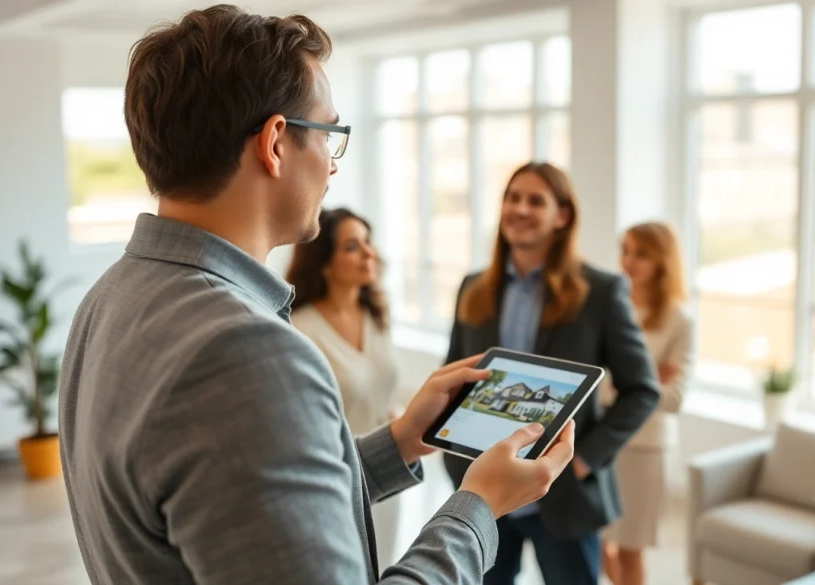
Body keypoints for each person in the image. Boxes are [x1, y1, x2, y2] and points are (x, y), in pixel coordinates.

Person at [57, 6, 576, 585]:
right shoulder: (246, 352)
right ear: (275, 142)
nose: (332, 165)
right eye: (330, 135)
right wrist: (478, 506)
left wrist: (399, 442)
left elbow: (250, 512)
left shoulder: (107, 299)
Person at [441, 162, 660, 585]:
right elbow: (454, 374)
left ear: (562, 216)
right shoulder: (473, 287)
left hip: (564, 495)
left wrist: (582, 460)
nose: (520, 209)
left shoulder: (601, 291)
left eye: (535, 201)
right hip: (486, 487)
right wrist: (453, 454)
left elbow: (643, 390)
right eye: (513, 198)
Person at [286, 207, 408, 571]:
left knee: (383, 567)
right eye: (353, 246)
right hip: (338, 479)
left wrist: (396, 414)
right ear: (324, 262)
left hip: (388, 469)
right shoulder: (299, 329)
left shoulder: (376, 314)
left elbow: (381, 387)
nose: (370, 253)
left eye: (368, 242)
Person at [599, 222, 693, 585]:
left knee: (630, 549)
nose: (628, 261)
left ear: (662, 260)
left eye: (640, 253)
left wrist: (627, 385)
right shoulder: (612, 305)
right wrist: (646, 380)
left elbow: (674, 399)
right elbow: (595, 380)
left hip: (645, 449)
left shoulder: (679, 319)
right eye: (625, 250)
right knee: (596, 541)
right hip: (602, 440)